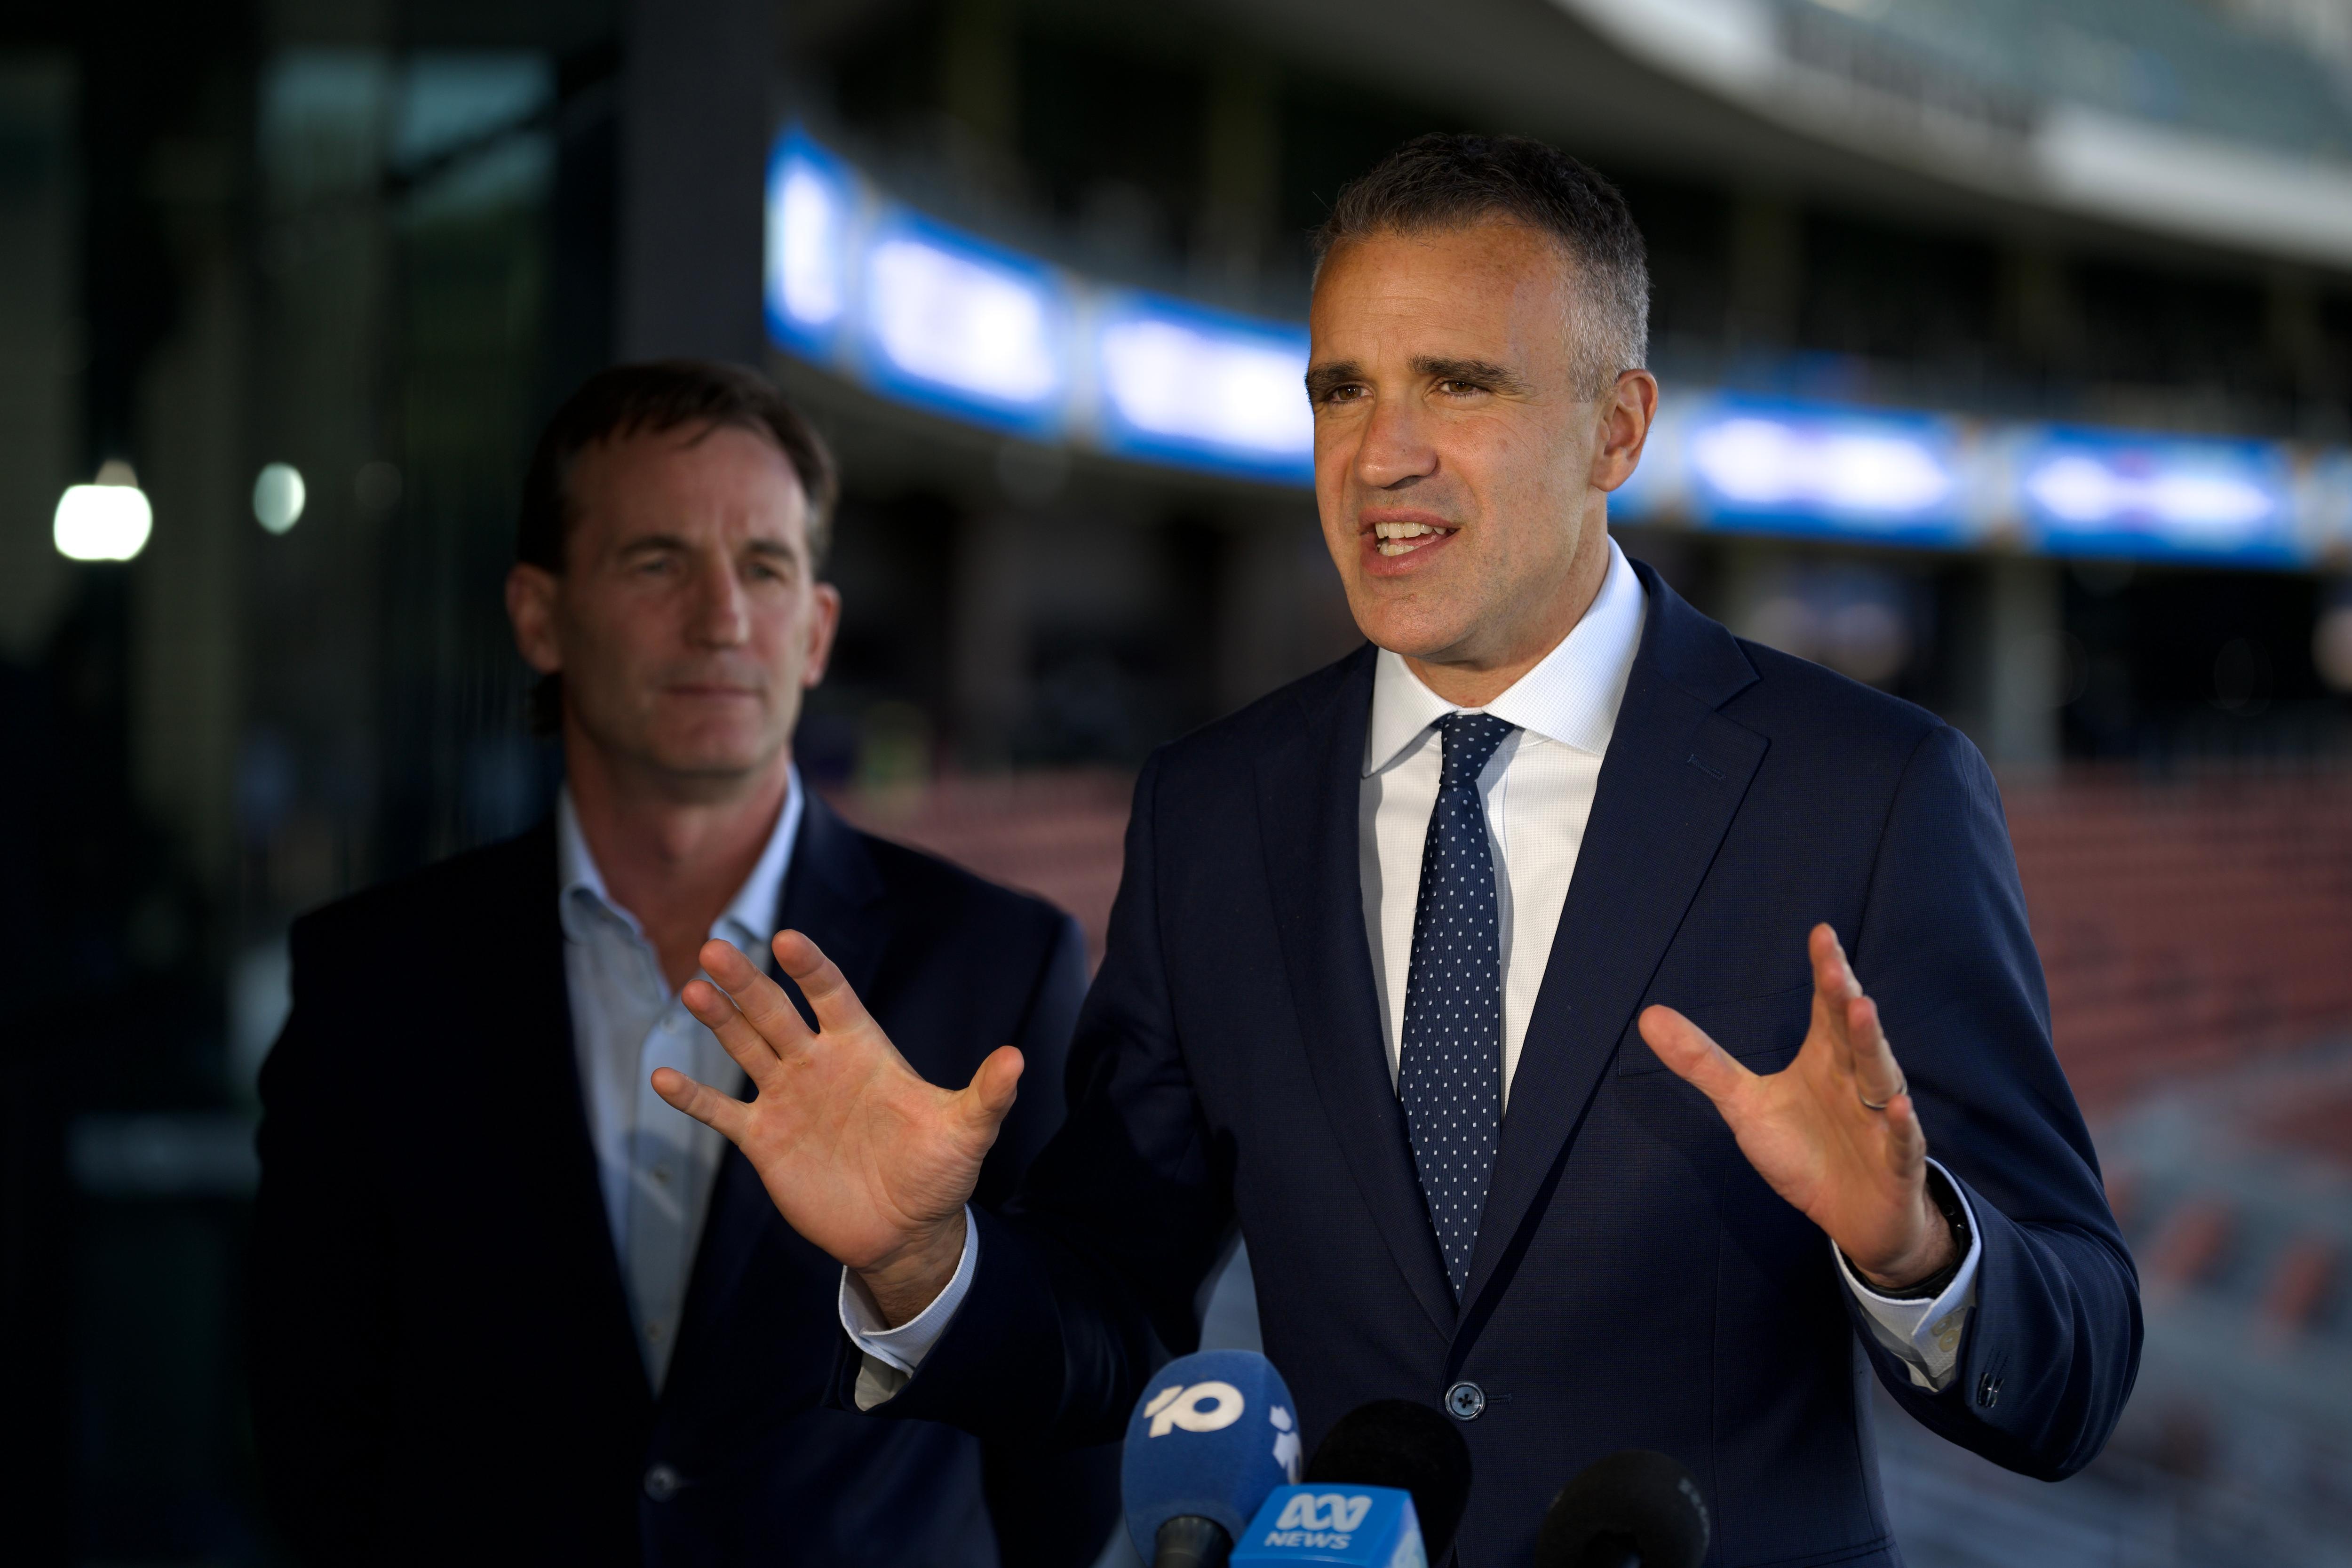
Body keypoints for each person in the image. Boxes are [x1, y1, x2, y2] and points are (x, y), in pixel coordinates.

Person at [655, 137, 2143, 1566]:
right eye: (1343, 389)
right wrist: (925, 1262)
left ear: (1618, 428)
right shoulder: (1212, 813)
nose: (1383, 455)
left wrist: (1917, 1248)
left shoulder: (1868, 789)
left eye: (1459, 384)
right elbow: (1111, 1309)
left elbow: (2078, 1364)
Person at [250, 361, 1117, 1568]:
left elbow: (1076, 1437)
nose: (721, 618)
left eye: (764, 566)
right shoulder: (373, 978)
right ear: (539, 617)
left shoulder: (994, 963)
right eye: (657, 562)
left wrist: (924, 1273)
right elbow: (311, 1427)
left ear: (816, 630)